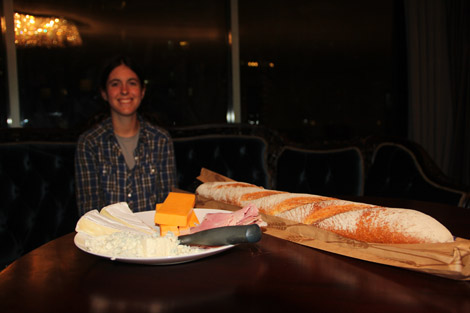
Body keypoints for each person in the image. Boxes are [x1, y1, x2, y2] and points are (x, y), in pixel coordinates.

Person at [75, 55, 177, 216]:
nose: (124, 90)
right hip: (109, 238)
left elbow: (169, 205)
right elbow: (89, 210)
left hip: (154, 236)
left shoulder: (161, 139)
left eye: (132, 83)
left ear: (142, 91)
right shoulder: (90, 143)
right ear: (104, 93)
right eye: (115, 84)